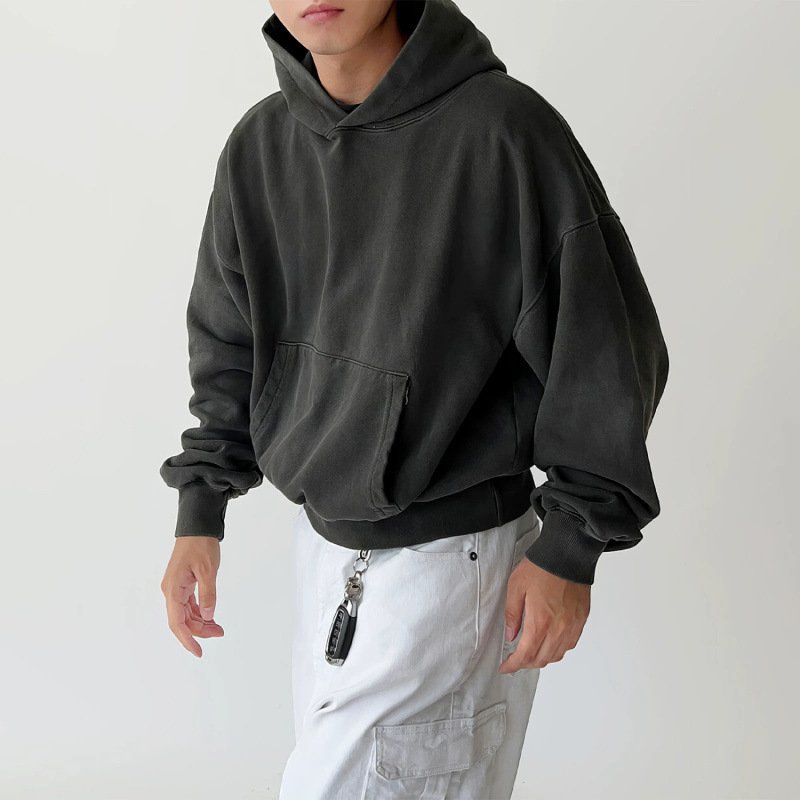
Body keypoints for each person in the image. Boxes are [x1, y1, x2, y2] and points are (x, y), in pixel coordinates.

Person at [159, 0, 669, 797]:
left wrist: (573, 542)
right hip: (326, 557)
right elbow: (230, 342)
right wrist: (201, 508)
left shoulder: (503, 134)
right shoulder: (260, 147)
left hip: (452, 567)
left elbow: (607, 349)